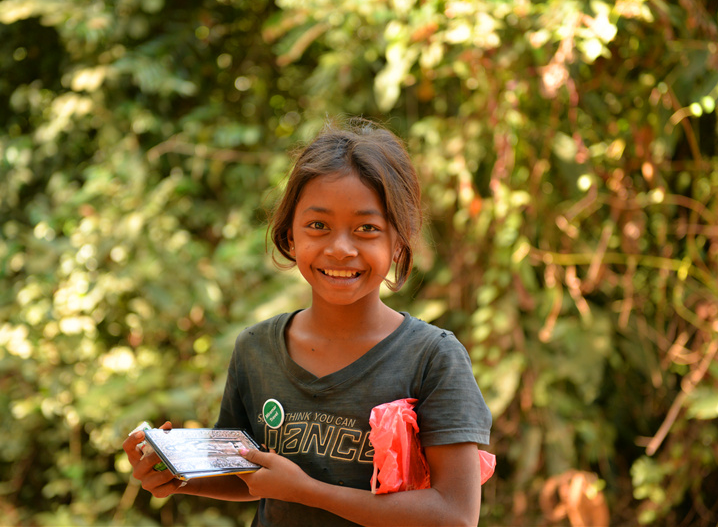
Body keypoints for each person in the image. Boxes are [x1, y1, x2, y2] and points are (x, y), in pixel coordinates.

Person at [122, 117, 493, 526]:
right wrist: (174, 475)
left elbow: (456, 515)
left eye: (367, 228)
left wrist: (308, 491)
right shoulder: (256, 349)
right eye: (318, 226)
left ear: (398, 243)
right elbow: (248, 475)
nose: (340, 248)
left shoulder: (432, 357)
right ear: (290, 235)